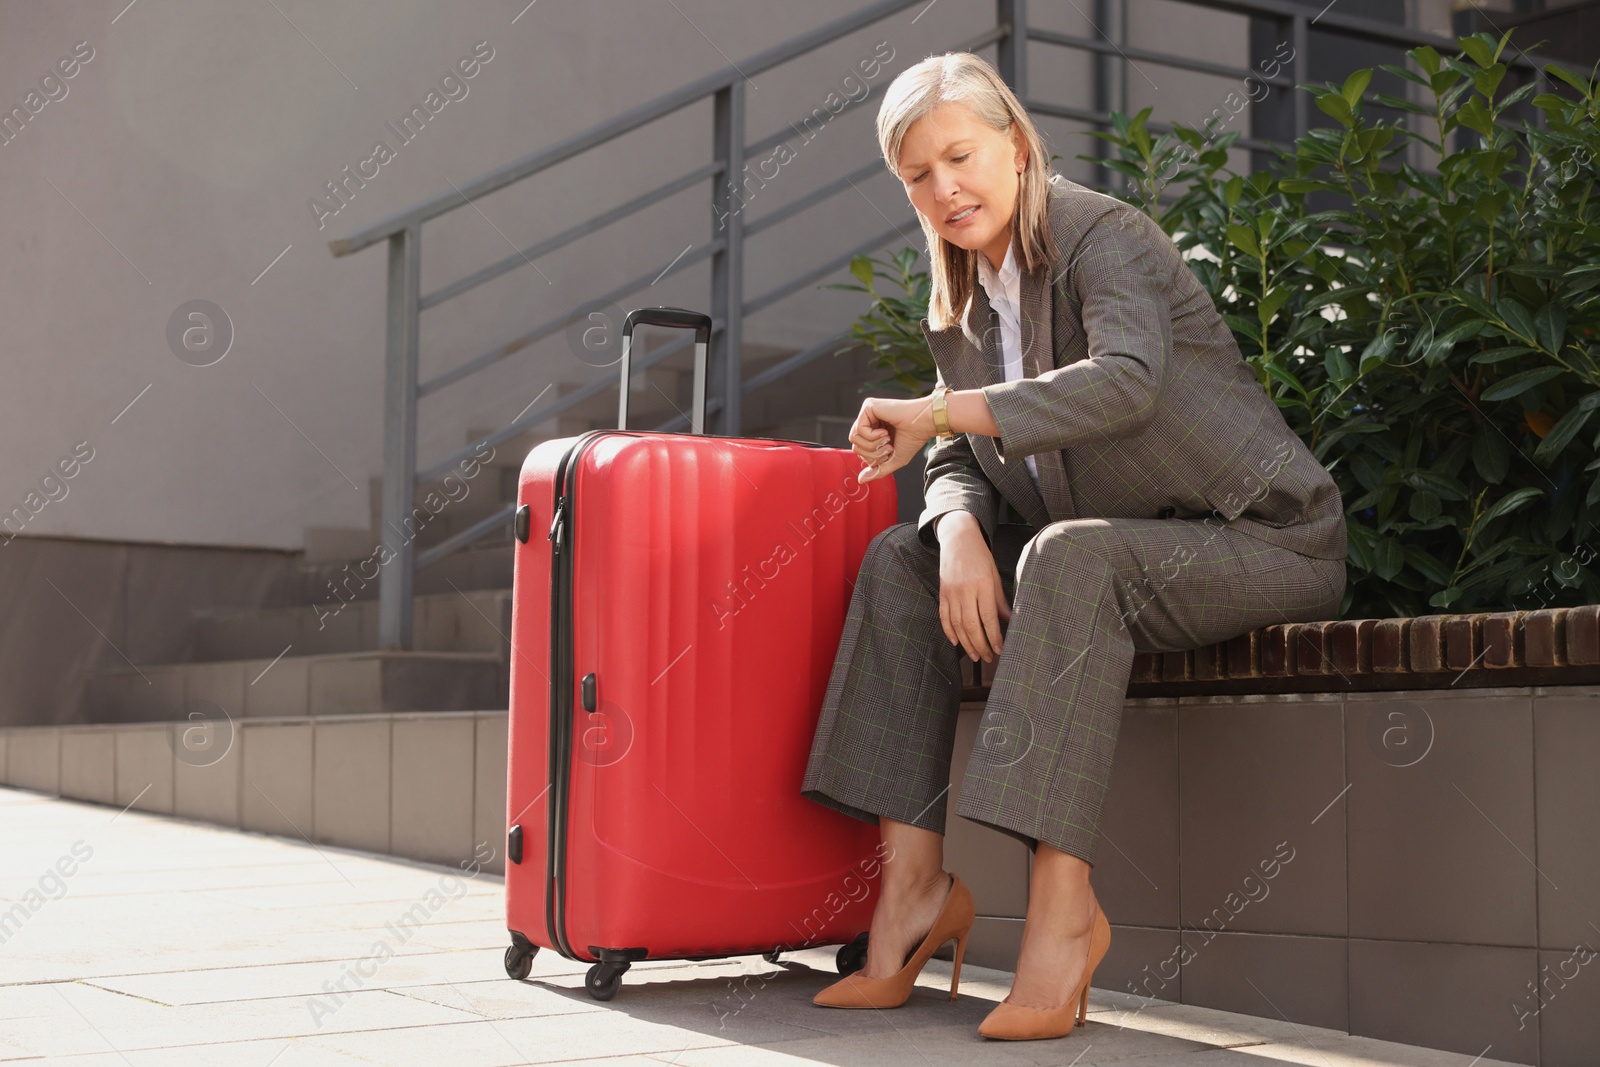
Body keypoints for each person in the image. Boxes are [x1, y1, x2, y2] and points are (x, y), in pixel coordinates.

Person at [799, 51, 1347, 1042]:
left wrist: (933, 413)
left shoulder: (1104, 237)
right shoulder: (964, 304)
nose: (944, 188)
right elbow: (965, 446)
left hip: (1259, 538)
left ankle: (1064, 917)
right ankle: (914, 895)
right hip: (1123, 547)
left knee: (1067, 553)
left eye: (960, 155)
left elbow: (1122, 381)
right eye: (916, 175)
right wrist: (958, 524)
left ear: (1014, 144)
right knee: (898, 561)